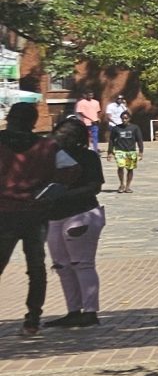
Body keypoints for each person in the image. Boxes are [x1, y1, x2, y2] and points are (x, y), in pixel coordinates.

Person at [34, 116, 105, 329]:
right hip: (54, 216)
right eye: (59, 132)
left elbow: (95, 186)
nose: (61, 137)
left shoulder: (88, 157)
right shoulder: (49, 156)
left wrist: (63, 195)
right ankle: (73, 311)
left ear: (77, 137)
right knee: (62, 266)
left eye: (68, 134)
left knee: (82, 263)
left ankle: (90, 312)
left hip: (81, 213)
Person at [0, 101, 49, 334]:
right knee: (37, 268)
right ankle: (33, 319)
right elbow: (70, 172)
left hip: (4, 213)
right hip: (35, 214)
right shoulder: (45, 146)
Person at [107, 111, 143, 193]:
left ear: (129, 119)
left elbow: (139, 140)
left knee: (130, 169)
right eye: (123, 118)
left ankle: (128, 186)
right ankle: (121, 184)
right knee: (120, 167)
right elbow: (111, 140)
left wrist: (141, 151)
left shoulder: (135, 128)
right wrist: (110, 152)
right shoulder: (116, 128)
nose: (124, 120)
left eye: (126, 118)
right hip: (120, 151)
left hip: (131, 151)